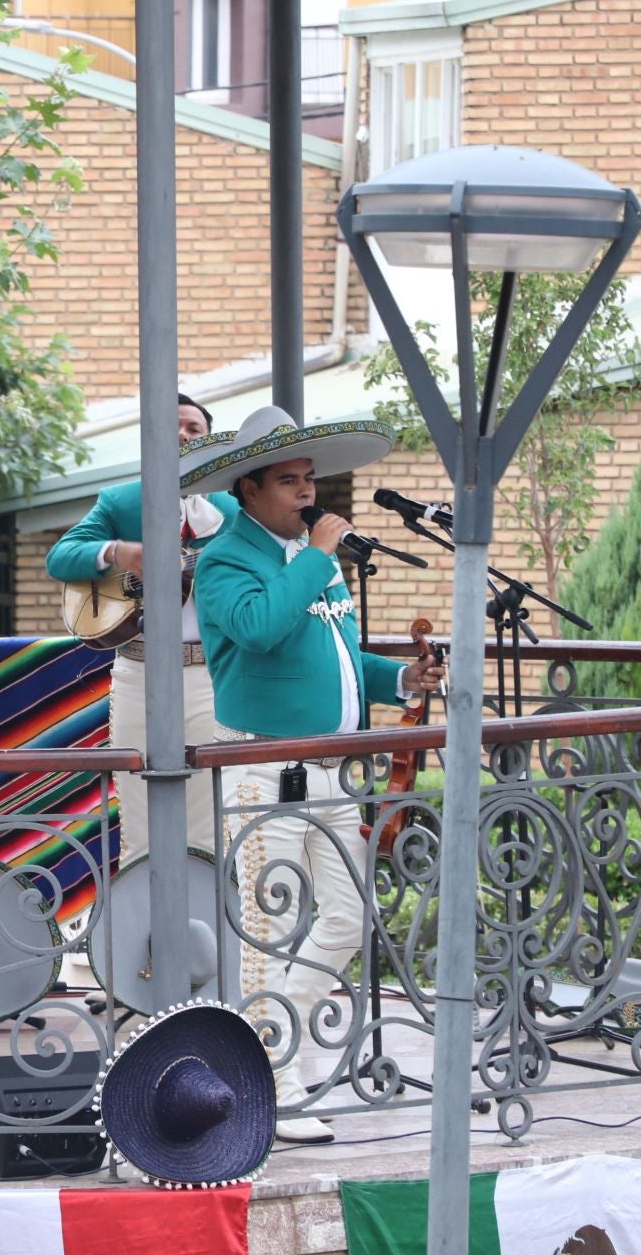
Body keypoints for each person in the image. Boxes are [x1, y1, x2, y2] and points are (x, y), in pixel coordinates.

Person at [183, 406, 443, 1145]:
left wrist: (401, 677)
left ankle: (268, 1049)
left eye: (309, 481)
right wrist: (316, 561)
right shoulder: (227, 560)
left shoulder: (309, 562)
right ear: (248, 491)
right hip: (264, 770)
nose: (306, 494)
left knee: (348, 914)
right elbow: (261, 629)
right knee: (267, 933)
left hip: (329, 771)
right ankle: (276, 1082)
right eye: (290, 482)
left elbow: (335, 658)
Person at [44, 395, 236, 862]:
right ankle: (141, 930)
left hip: (209, 674)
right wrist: (119, 552)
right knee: (137, 816)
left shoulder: (233, 510)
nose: (183, 435)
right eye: (172, 426)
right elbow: (59, 559)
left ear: (210, 443)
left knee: (210, 819)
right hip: (137, 670)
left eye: (194, 428)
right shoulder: (122, 499)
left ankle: (211, 930)